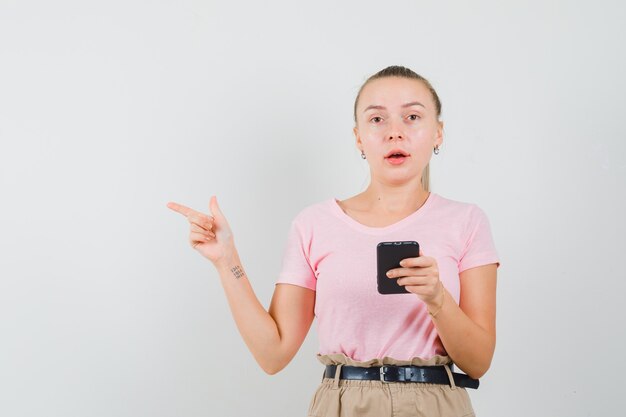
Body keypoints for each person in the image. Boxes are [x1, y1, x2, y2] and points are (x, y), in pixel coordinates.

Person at [167, 65, 500, 417]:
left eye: (412, 116)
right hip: (342, 405)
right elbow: (273, 354)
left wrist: (438, 300)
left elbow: (478, 362)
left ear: (438, 133)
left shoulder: (467, 221)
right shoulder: (314, 225)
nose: (395, 133)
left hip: (435, 406)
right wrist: (226, 260)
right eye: (377, 120)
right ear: (358, 138)